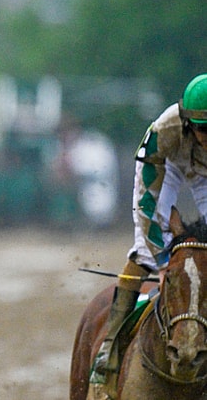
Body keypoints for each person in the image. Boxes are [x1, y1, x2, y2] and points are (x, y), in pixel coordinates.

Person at [88, 73, 207, 400]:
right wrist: (164, 260)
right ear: (186, 122)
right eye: (202, 128)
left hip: (205, 171)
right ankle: (109, 348)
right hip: (164, 164)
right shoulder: (163, 131)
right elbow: (146, 205)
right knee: (143, 249)